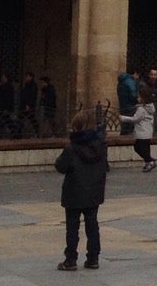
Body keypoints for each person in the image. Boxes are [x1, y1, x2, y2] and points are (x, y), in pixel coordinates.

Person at [54, 109, 108, 271]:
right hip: (93, 191)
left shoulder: (71, 148)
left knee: (72, 227)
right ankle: (93, 258)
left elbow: (61, 166)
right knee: (92, 225)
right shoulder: (102, 146)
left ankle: (70, 259)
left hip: (74, 192)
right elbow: (105, 167)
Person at [119, 86, 157, 172]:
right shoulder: (149, 107)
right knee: (145, 148)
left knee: (138, 147)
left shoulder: (141, 109)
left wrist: (123, 118)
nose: (137, 98)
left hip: (142, 132)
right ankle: (149, 161)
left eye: (139, 96)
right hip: (148, 132)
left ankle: (150, 161)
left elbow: (135, 119)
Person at [0, 72, 18, 139]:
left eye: (3, 77)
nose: (2, 79)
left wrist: (6, 108)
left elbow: (8, 99)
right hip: (2, 107)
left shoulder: (8, 87)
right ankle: (13, 133)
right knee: (4, 121)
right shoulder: (3, 86)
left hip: (5, 108)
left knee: (5, 121)